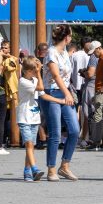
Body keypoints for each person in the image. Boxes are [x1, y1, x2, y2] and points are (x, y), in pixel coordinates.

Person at [41, 25, 80, 181]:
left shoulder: (65, 53)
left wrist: (68, 92)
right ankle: (51, 169)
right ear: (67, 37)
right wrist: (67, 93)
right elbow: (56, 76)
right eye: (70, 35)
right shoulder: (51, 52)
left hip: (65, 92)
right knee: (55, 132)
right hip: (52, 92)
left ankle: (65, 165)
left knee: (74, 130)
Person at [18, 57, 63, 182]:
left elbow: (44, 95)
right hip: (24, 117)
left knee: (31, 146)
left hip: (34, 118)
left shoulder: (33, 80)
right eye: (33, 70)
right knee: (28, 144)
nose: (35, 72)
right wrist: (38, 73)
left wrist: (60, 101)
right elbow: (41, 88)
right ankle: (34, 168)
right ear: (26, 71)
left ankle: (27, 171)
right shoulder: (23, 81)